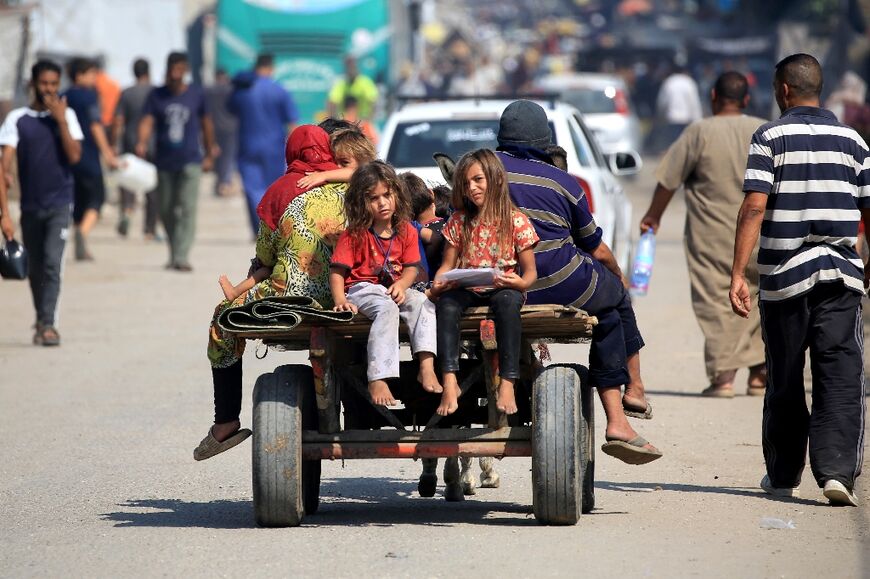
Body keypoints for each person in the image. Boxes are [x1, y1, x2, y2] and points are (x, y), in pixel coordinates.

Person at [731, 53, 868, 507]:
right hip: (841, 277)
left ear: (784, 90)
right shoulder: (854, 142)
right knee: (841, 374)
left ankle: (784, 474)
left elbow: (754, 205)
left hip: (785, 278)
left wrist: (738, 272)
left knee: (786, 377)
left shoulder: (770, 136)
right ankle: (837, 474)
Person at [495, 100, 662, 464]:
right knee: (614, 302)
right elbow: (595, 247)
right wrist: (617, 276)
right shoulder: (562, 181)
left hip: (495, 284)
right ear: (544, 140)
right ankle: (623, 409)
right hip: (557, 279)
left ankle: (632, 394)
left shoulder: (478, 172)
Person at [195, 125, 348, 461]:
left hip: (287, 294)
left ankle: (225, 421)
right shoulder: (355, 188)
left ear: (291, 154)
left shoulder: (280, 191)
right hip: (346, 294)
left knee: (222, 318)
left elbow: (265, 257)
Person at [641, 72, 767, 398]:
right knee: (759, 297)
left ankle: (724, 377)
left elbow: (669, 179)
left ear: (713, 97)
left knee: (717, 301)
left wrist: (653, 216)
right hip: (761, 232)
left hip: (713, 236)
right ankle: (759, 374)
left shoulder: (700, 131)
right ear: (747, 99)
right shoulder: (763, 130)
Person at [432, 149, 539, 416]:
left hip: (504, 287)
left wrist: (519, 284)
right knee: (446, 306)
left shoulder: (516, 220)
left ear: (496, 179)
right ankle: (449, 381)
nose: (472, 188)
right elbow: (447, 265)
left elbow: (530, 273)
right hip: (467, 287)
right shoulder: (458, 220)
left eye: (478, 180)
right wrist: (439, 283)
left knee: (507, 305)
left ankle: (508, 381)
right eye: (466, 183)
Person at [329, 161, 441, 406]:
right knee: (387, 309)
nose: (382, 203)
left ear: (397, 195)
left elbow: (412, 268)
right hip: (362, 289)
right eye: (373, 198)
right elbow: (337, 272)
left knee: (423, 301)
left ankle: (425, 364)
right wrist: (340, 300)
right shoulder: (355, 234)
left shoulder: (406, 231)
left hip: (396, 288)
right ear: (361, 203)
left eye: (387, 195)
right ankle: (378, 377)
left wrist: (402, 284)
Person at [0, 60, 83, 346]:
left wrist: (60, 120)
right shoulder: (17, 118)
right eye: (44, 83)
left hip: (60, 202)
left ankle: (48, 324)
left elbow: (74, 157)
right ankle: (40, 317)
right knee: (34, 267)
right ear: (33, 84)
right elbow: (5, 158)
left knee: (51, 263)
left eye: (53, 84)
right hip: (30, 205)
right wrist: (6, 174)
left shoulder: (67, 115)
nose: (48, 90)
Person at [137, 51, 217, 272]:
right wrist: (142, 142)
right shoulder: (157, 95)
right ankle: (174, 251)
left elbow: (206, 124)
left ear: (186, 71)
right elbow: (147, 120)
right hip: (164, 161)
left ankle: (181, 256)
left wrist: (210, 153)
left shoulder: (196, 94)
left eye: (179, 69)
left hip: (190, 160)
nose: (175, 73)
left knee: (187, 208)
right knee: (166, 209)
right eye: (172, 68)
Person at [229, 53, 299, 235]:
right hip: (274, 148)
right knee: (274, 188)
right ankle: (272, 227)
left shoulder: (243, 90)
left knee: (253, 188)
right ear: (271, 68)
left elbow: (230, 108)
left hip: (248, 145)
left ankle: (258, 228)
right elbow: (292, 123)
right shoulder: (279, 90)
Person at [64, 57, 119, 261]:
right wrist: (107, 153)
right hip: (88, 156)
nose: (94, 78)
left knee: (79, 201)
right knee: (97, 198)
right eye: (91, 74)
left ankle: (82, 246)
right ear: (79, 75)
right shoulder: (89, 97)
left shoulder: (64, 96)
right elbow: (96, 126)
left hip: (69, 158)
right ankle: (83, 232)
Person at [113, 57, 159, 239]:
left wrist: (113, 144)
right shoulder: (156, 92)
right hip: (153, 144)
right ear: (148, 72)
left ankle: (127, 210)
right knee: (152, 187)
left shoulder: (127, 93)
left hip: (130, 143)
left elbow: (118, 120)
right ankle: (149, 229)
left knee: (127, 181)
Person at [206, 69, 238, 198]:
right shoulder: (232, 90)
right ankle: (225, 183)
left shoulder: (209, 90)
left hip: (214, 127)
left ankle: (220, 181)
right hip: (231, 128)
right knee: (228, 156)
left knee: (217, 156)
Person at [655, 65, 703, 151]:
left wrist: (661, 116)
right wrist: (698, 120)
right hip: (686, 120)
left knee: (673, 145)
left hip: (672, 118)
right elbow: (694, 103)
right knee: (686, 146)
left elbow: (662, 102)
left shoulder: (669, 82)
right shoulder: (689, 82)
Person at [327, 55, 378, 121]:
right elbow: (332, 102)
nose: (351, 69)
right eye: (349, 67)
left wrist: (369, 120)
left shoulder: (366, 83)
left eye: (353, 67)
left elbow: (373, 102)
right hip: (345, 121)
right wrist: (333, 121)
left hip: (362, 120)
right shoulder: (341, 83)